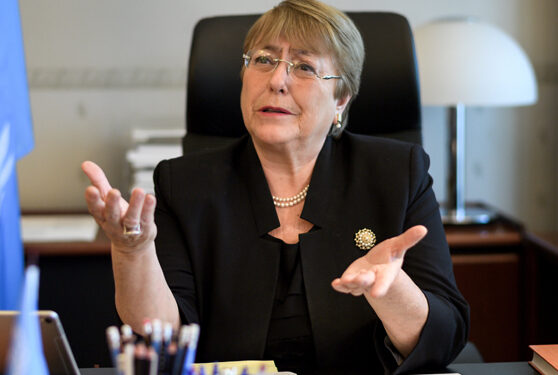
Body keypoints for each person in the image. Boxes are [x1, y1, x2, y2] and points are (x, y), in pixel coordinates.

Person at [82, 0, 469, 373]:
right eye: (263, 60)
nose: (277, 80)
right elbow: (160, 335)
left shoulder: (396, 173)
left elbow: (446, 337)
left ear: (341, 99)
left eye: (304, 67)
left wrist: (391, 291)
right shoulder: (185, 184)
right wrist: (132, 251)